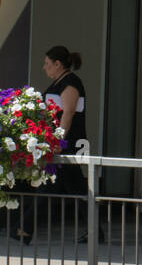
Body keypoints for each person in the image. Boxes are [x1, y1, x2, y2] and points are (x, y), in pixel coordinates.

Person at [16, 46, 100, 244]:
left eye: (47, 64)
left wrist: (58, 141)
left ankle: (25, 229)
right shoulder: (59, 82)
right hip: (61, 143)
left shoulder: (70, 84)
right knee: (76, 189)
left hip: (67, 144)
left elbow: (68, 114)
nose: (44, 68)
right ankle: (96, 231)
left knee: (50, 186)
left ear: (57, 64)